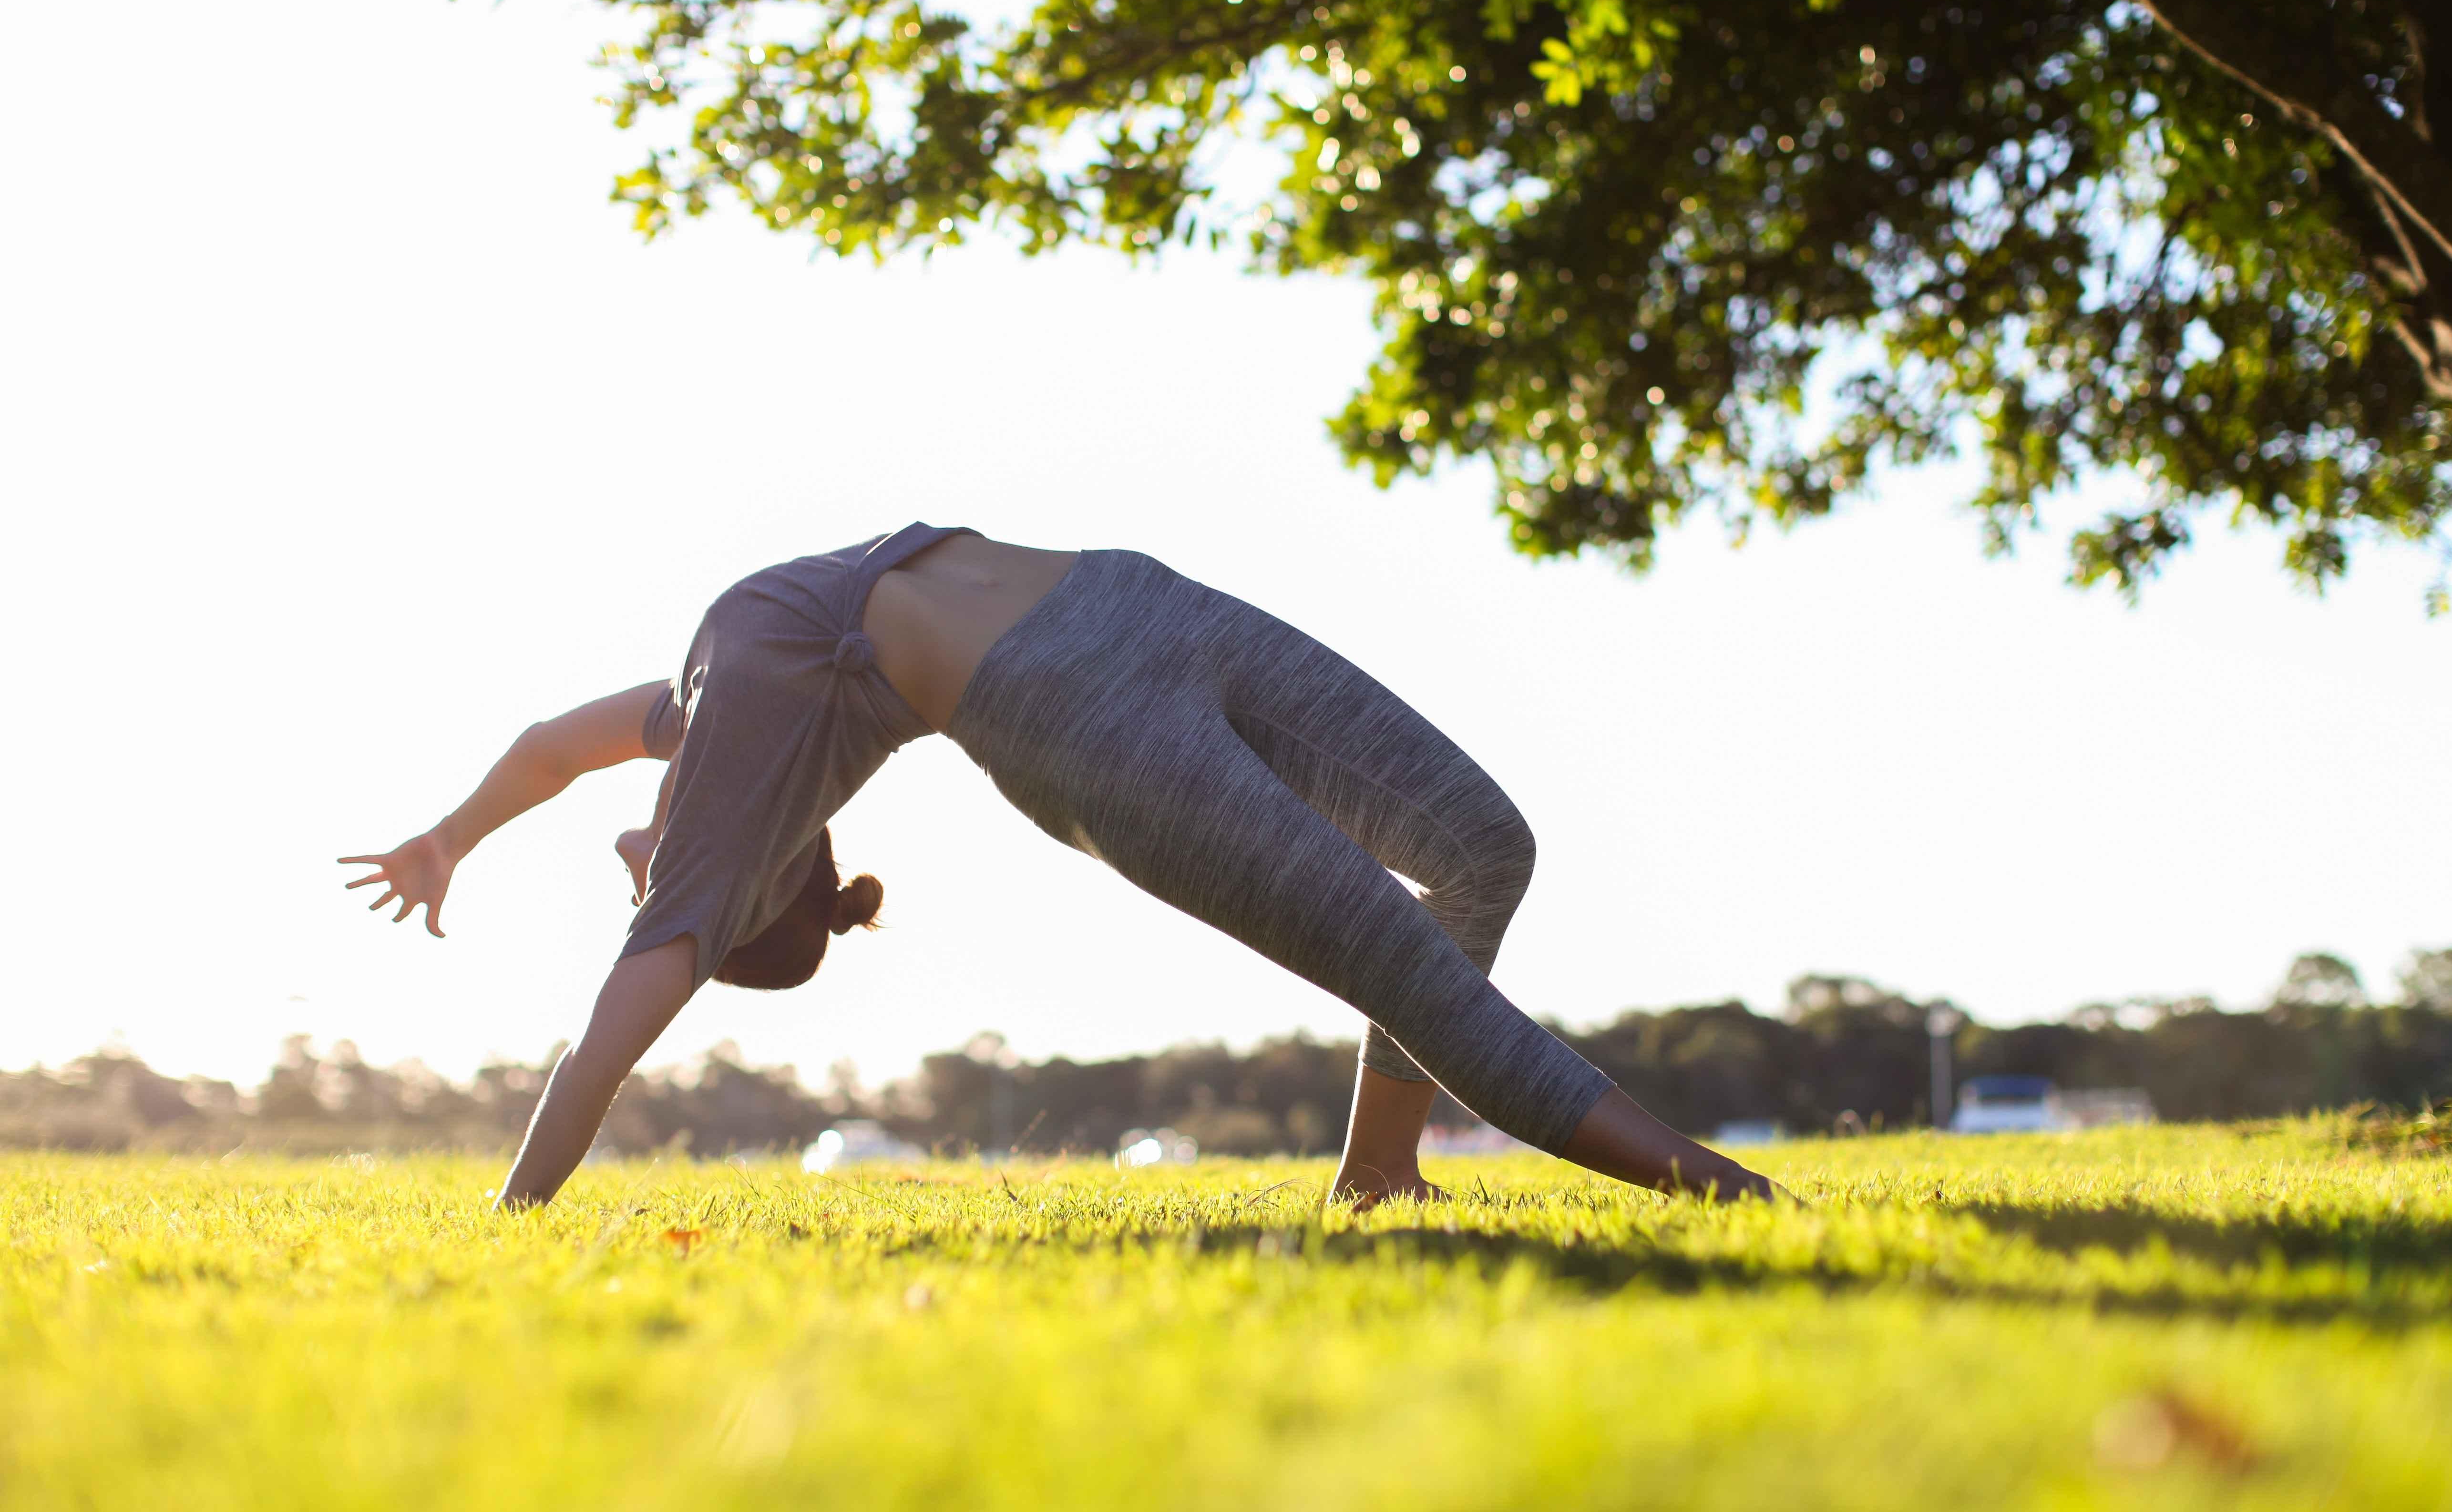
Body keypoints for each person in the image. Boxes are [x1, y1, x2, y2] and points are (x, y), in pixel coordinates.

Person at [341, 526, 1778, 1209]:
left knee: (1480, 848)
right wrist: (517, 1215)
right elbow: (598, 1056)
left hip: (1135, 597)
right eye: (676, 894)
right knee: (1392, 953)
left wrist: (449, 838)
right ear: (757, 889)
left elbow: (549, 745)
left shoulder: (709, 715)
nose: (650, 873)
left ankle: (1380, 1171)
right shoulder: (726, 831)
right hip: (1093, 730)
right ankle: (1711, 1186)